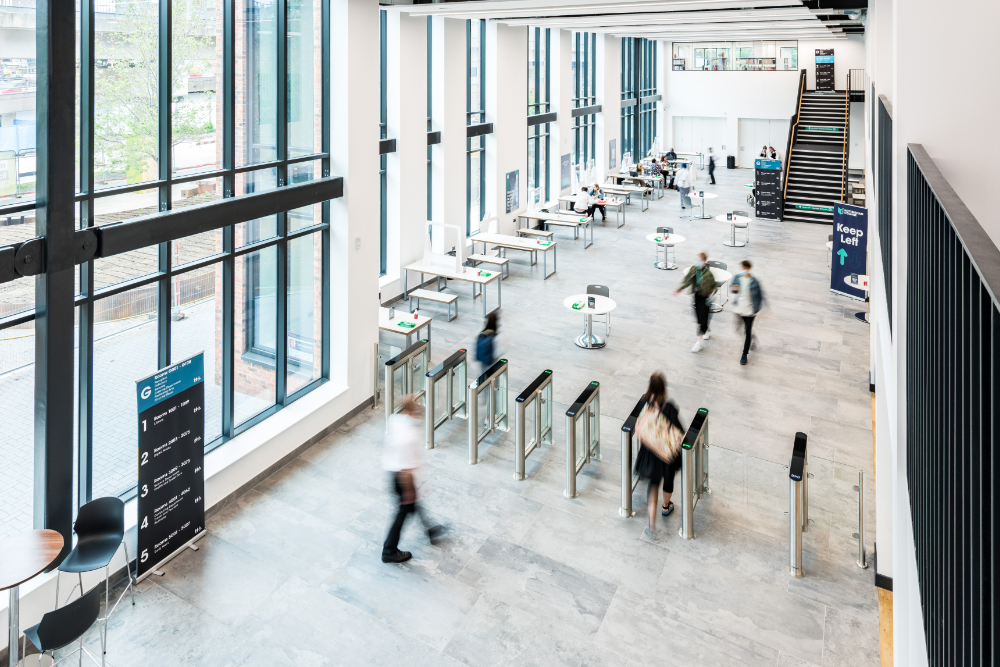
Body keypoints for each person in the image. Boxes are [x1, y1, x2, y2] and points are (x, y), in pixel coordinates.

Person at [382, 395, 445, 564]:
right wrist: (409, 491)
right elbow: (406, 470)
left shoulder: (395, 419)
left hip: (393, 472)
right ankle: (389, 550)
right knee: (403, 512)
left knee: (413, 505)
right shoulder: (409, 436)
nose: (418, 411)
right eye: (416, 408)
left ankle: (430, 530)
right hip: (403, 478)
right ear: (411, 411)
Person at [634, 372, 685, 537]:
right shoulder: (669, 407)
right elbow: (679, 430)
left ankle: (651, 522)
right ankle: (666, 506)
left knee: (653, 485)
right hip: (666, 453)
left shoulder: (644, 402)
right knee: (668, 480)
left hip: (650, 452)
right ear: (664, 388)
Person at [674, 252, 716, 351]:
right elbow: (687, 280)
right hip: (697, 295)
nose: (698, 262)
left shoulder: (708, 274)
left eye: (700, 260)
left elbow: (714, 286)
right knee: (699, 317)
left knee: (702, 318)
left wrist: (711, 294)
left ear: (705, 262)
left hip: (706, 297)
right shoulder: (694, 269)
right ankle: (706, 328)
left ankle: (699, 342)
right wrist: (679, 289)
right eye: (697, 259)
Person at [730, 259, 764, 365]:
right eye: (742, 267)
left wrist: (762, 310)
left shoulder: (754, 281)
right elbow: (733, 290)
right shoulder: (737, 277)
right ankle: (753, 338)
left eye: (744, 268)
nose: (742, 269)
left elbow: (761, 296)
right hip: (739, 309)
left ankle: (744, 354)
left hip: (750, 310)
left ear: (749, 269)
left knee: (747, 331)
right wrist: (734, 289)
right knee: (738, 329)